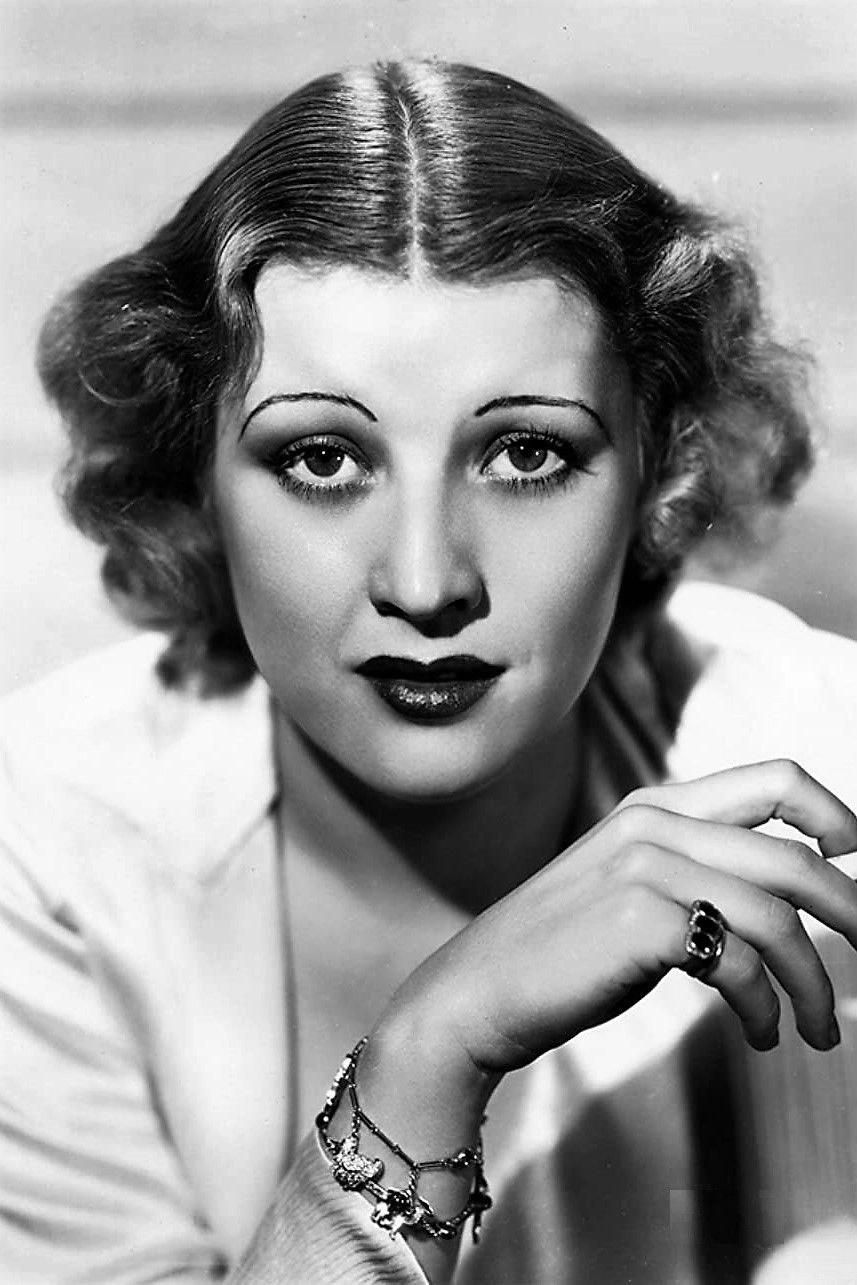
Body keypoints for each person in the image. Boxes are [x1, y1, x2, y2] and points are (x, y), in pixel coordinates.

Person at [1, 58, 856, 1285]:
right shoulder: (40, 847)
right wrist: (428, 1050)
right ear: (194, 483)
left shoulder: (822, 755)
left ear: (657, 474)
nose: (424, 579)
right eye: (321, 459)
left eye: (524, 454)